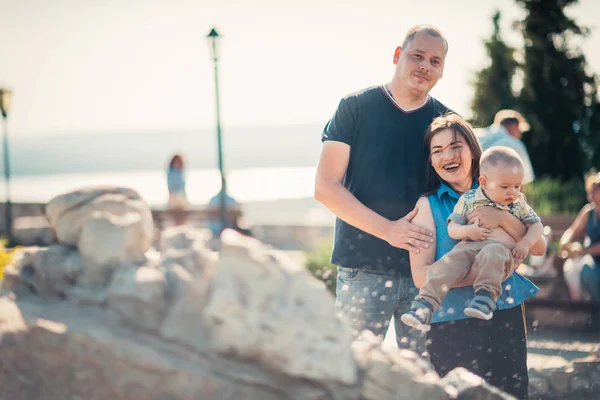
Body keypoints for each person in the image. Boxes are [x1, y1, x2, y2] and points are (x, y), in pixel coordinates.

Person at [314, 25, 450, 352]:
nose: (425, 66)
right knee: (353, 372)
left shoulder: (447, 121)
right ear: (397, 55)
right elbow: (325, 187)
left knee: (424, 379)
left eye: (435, 61)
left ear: (442, 70)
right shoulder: (354, 107)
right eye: (417, 56)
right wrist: (388, 230)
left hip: (427, 275)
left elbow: (459, 195)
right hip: (363, 268)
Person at [406, 113, 546, 398]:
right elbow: (422, 277)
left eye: (456, 146)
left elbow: (539, 247)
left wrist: (502, 219)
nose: (448, 155)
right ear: (431, 161)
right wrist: (488, 271)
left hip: (504, 310)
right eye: (438, 150)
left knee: (512, 391)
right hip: (450, 320)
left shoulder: (507, 191)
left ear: (473, 149)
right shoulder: (427, 206)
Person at [401, 146, 544, 330]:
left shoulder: (518, 204)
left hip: (499, 252)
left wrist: (525, 242)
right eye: (505, 186)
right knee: (449, 261)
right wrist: (469, 231)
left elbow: (537, 226)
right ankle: (424, 306)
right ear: (483, 182)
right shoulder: (469, 199)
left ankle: (485, 299)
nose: (512, 192)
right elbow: (453, 228)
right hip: (469, 246)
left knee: (493, 253)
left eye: (517, 186)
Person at [559, 170, 600, 304]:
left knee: (589, 272)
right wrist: (565, 242)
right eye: (590, 190)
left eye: (595, 190)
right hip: (593, 260)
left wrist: (582, 251)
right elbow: (572, 231)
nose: (591, 194)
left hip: (593, 257)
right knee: (581, 269)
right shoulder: (589, 211)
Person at [477, 109, 535, 185]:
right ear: (513, 126)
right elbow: (522, 180)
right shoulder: (515, 144)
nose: (520, 134)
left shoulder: (478, 134)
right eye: (519, 129)